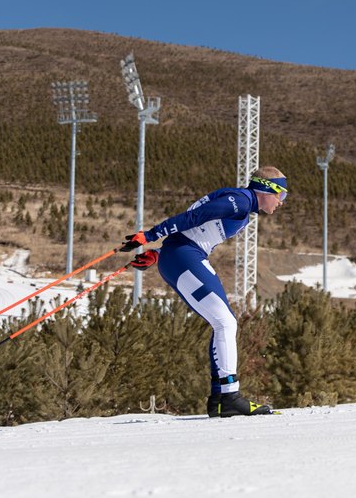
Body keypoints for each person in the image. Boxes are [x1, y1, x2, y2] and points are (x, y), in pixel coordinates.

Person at [120, 166, 288, 417]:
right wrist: (151, 235)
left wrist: (157, 253)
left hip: (178, 254)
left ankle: (220, 399)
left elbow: (195, 230)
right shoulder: (241, 201)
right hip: (185, 255)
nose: (281, 202)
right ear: (266, 189)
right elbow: (194, 217)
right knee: (225, 323)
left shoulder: (240, 202)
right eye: (281, 195)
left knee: (222, 323)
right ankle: (229, 397)